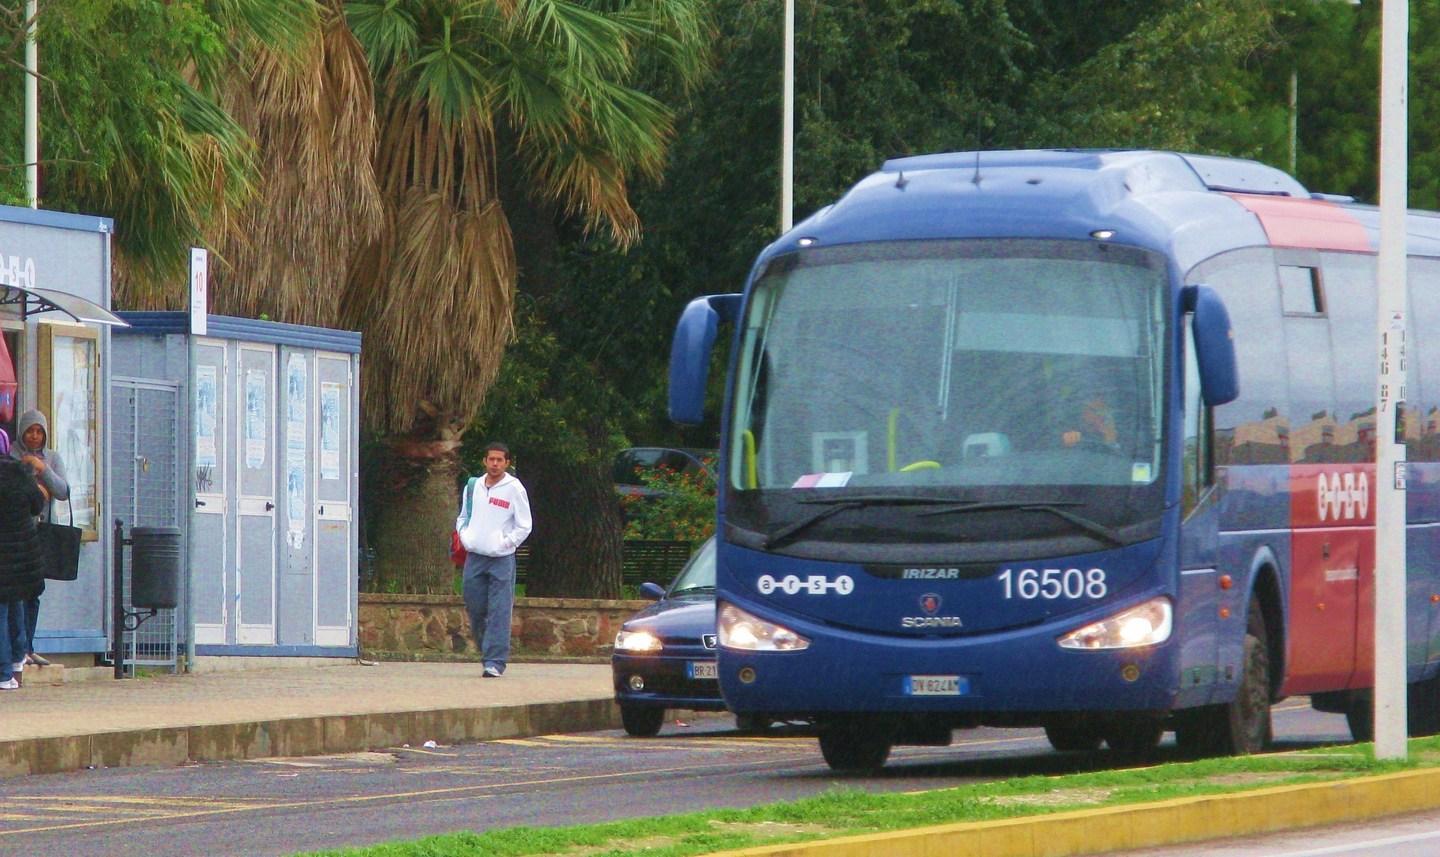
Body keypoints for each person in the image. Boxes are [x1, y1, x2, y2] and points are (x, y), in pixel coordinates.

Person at [455, 442, 532, 678]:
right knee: (475, 607)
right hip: (475, 556)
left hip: (501, 559)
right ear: (485, 461)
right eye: (491, 459)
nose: (495, 464)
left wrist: (506, 543)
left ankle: (495, 661)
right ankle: (486, 650)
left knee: (499, 610)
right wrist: (466, 537)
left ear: (507, 463)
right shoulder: (473, 486)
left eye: (500, 460)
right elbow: (463, 517)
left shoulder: (514, 489)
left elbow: (524, 525)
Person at [10, 409, 69, 667]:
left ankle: (29, 646)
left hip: (41, 535)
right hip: (16, 536)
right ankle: (17, 649)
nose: (34, 437)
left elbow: (62, 490)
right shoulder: (11, 455)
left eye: (39, 432)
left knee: (34, 593)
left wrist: (42, 469)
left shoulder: (52, 458)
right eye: (30, 431)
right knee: (16, 595)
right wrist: (36, 490)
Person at [0, 428, 46, 690]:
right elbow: (37, 505)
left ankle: (4, 673)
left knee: (1, 611)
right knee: (16, 604)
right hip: (21, 557)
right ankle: (17, 660)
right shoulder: (20, 472)